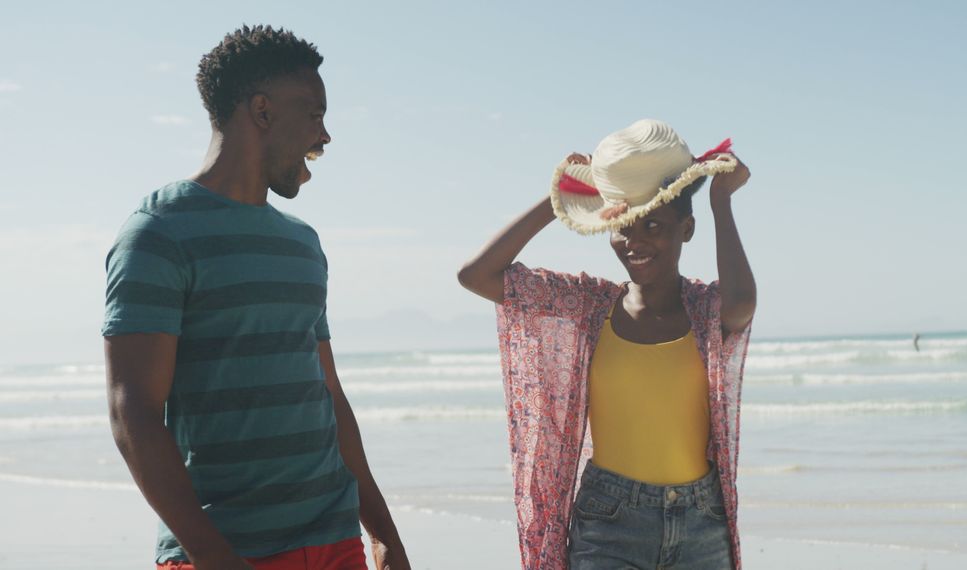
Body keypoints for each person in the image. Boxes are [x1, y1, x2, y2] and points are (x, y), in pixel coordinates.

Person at [103, 25, 409, 570]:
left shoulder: (302, 243)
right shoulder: (156, 234)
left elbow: (329, 396)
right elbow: (134, 413)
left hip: (335, 542)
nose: (326, 134)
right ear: (262, 111)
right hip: (225, 550)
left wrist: (382, 533)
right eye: (314, 113)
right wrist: (215, 557)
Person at [458, 119, 756, 569]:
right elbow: (477, 275)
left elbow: (742, 305)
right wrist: (562, 197)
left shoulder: (706, 310)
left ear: (686, 229)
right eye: (623, 226)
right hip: (610, 523)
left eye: (652, 224)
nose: (634, 241)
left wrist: (720, 202)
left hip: (701, 521)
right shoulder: (589, 306)